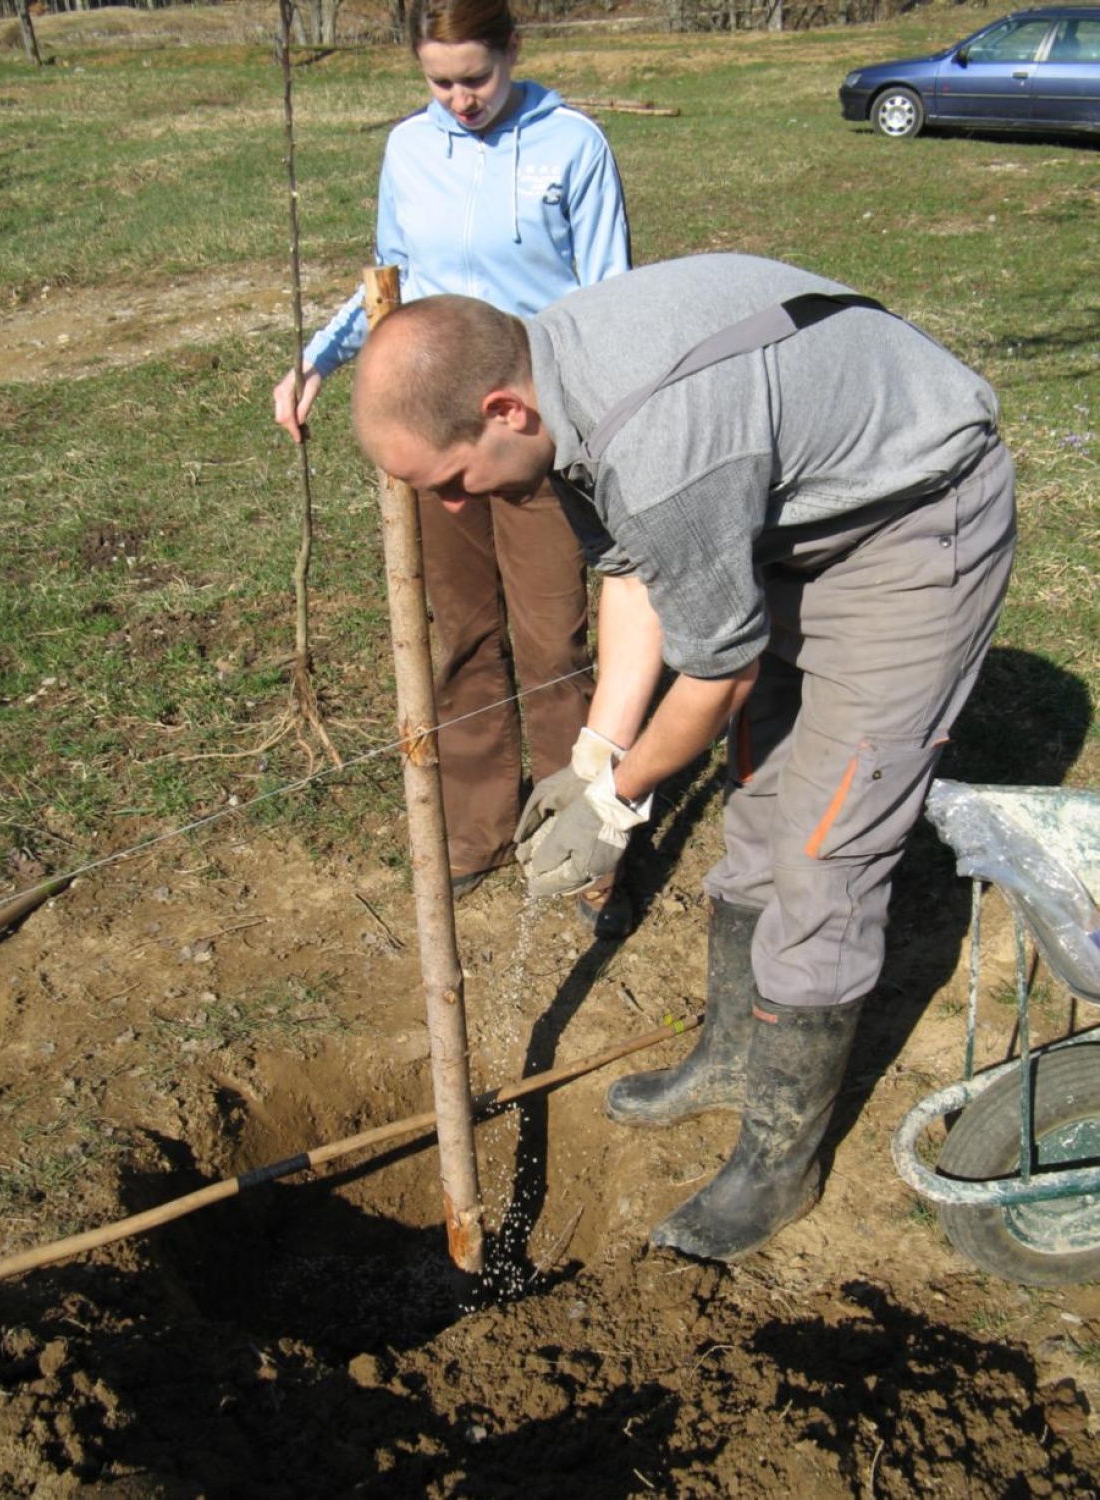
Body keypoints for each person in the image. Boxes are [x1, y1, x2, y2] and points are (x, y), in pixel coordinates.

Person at [349, 252, 1017, 1264]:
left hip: (910, 528)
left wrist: (618, 804)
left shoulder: (656, 445)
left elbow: (719, 678)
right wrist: (596, 753)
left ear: (501, 411)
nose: (451, 508)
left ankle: (779, 1164)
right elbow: (630, 580)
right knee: (757, 805)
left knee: (827, 849)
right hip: (788, 522)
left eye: (449, 482)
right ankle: (730, 1056)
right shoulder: (557, 383)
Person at [273, 0, 634, 937]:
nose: (459, 99)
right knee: (463, 634)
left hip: (531, 427)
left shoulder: (572, 145)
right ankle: (474, 835)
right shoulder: (408, 151)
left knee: (552, 641)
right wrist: (318, 358)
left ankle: (574, 837)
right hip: (439, 429)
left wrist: (592, 419)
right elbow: (388, 280)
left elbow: (606, 294)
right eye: (439, 82)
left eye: (474, 76)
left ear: (512, 51)